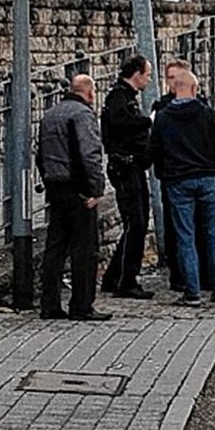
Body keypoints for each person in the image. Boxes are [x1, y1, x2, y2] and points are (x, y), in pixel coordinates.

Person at [149, 66, 215, 307]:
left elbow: (154, 150)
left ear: (174, 89)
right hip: (206, 177)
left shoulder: (163, 116)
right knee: (214, 234)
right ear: (194, 88)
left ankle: (192, 292)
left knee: (185, 237)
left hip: (178, 180)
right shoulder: (206, 113)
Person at [36, 75, 111, 321]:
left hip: (56, 187)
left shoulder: (50, 115)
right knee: (85, 249)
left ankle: (50, 305)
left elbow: (41, 154)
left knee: (55, 247)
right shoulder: (82, 115)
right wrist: (95, 189)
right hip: (78, 189)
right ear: (89, 93)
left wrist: (48, 181)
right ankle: (81, 305)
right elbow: (90, 154)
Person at [100, 54, 155, 300]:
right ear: (136, 75)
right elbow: (122, 124)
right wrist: (148, 121)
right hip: (125, 167)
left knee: (138, 222)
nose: (149, 79)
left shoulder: (125, 97)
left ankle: (115, 277)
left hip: (133, 167)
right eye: (147, 74)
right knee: (136, 223)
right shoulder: (119, 98)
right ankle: (126, 281)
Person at [152, 59, 208, 293]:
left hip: (195, 172)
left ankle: (200, 276)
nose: (175, 82)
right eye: (171, 78)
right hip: (172, 175)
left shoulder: (202, 107)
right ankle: (180, 276)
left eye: (179, 77)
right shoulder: (162, 108)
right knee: (176, 229)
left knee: (201, 227)